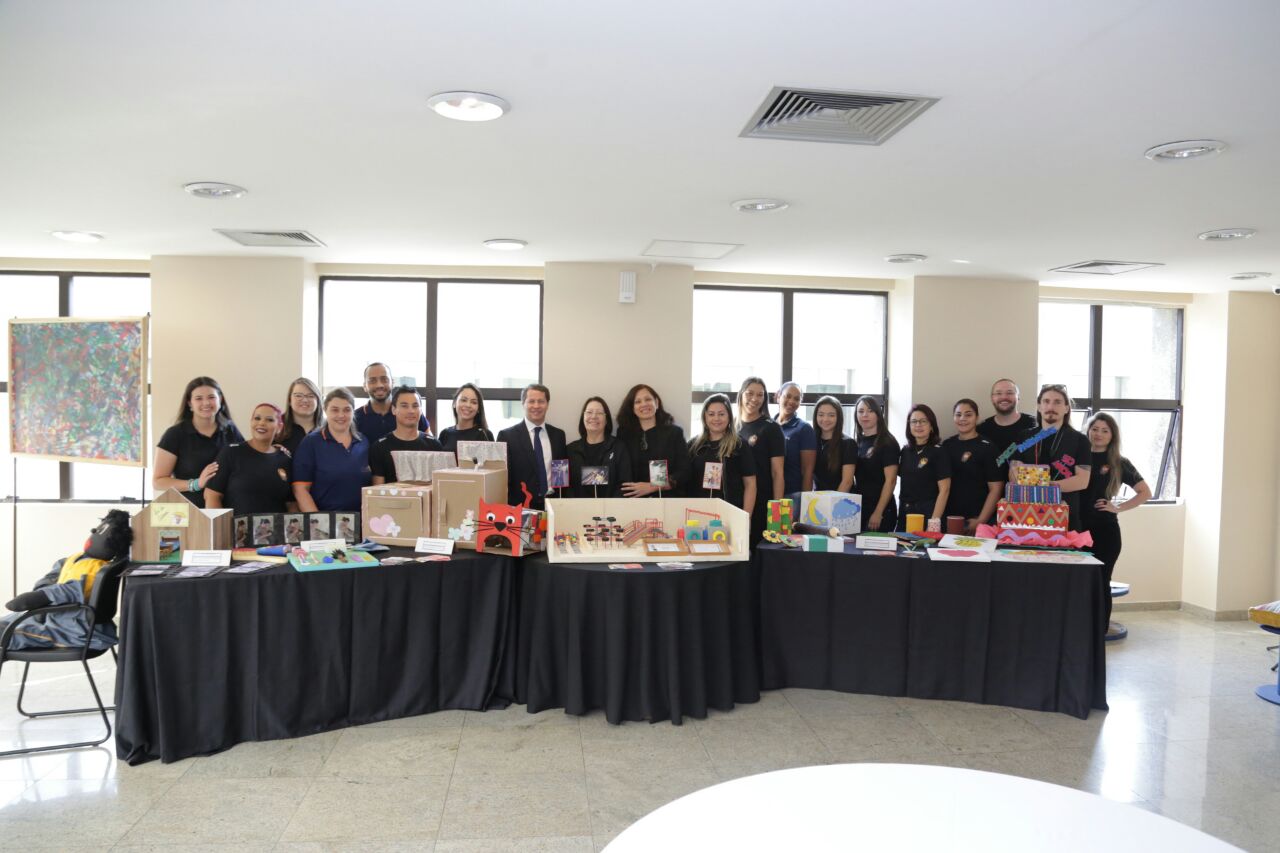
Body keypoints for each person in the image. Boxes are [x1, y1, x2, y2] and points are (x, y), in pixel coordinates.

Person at [1083, 413, 1152, 631]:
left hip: (1105, 533)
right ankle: (1079, 630)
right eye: (1095, 429)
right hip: (1076, 531)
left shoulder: (1119, 462)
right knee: (1078, 582)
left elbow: (1145, 492)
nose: (1099, 434)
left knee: (1101, 581)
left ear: (1112, 435)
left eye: (1105, 430)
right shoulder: (1077, 457)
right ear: (1088, 430)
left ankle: (1099, 632)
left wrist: (1118, 507)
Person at [153, 376, 243, 508]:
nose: (206, 403)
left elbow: (245, 462)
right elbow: (158, 482)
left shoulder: (230, 430)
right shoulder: (175, 434)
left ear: (220, 400)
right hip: (190, 512)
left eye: (211, 397)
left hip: (228, 509)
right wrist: (196, 484)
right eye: (199, 398)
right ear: (190, 403)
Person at [1013, 384, 1091, 531]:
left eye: (1057, 402)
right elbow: (1014, 474)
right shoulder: (1025, 437)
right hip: (1026, 516)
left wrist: (1044, 486)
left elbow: (1082, 481)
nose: (1051, 406)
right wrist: (1046, 485)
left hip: (1065, 518)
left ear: (1066, 408)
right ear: (1039, 406)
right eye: (1046, 401)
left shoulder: (1080, 440)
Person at [205, 403, 295, 514]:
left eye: (269, 420)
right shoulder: (230, 453)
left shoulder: (285, 459)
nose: (261, 423)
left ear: (279, 427)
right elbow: (212, 495)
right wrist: (220, 525)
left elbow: (291, 503)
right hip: (235, 524)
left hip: (277, 525)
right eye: (257, 418)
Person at [292, 388, 371, 512]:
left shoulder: (363, 442)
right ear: (325, 410)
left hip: (362, 520)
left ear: (353, 411)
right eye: (335, 410)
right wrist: (319, 521)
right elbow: (300, 490)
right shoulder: (311, 443)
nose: (341, 415)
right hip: (326, 520)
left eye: (347, 410)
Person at [497, 383, 567, 510]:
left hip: (553, 505)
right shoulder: (506, 436)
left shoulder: (558, 435)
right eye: (531, 401)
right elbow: (503, 480)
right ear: (523, 404)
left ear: (547, 404)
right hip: (520, 508)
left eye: (541, 401)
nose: (536, 406)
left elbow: (561, 474)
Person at [616, 383, 690, 497]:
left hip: (667, 499)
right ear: (632, 408)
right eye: (638, 402)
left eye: (648, 399)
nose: (644, 404)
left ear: (657, 403)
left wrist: (652, 487)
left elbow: (684, 472)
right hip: (633, 499)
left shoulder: (674, 433)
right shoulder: (624, 434)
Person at [686, 393, 757, 511]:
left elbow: (750, 484)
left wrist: (746, 516)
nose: (716, 418)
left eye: (721, 414)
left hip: (730, 512)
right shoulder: (693, 445)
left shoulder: (739, 445)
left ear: (729, 416)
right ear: (704, 417)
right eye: (711, 414)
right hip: (697, 512)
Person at [941, 399, 1003, 533]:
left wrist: (981, 520)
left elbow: (996, 489)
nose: (962, 418)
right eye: (958, 415)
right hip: (948, 518)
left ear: (977, 418)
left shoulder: (988, 447)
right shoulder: (946, 445)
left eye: (968, 414)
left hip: (975, 520)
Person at [736, 377, 785, 543]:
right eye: (750, 393)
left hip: (762, 501)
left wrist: (776, 512)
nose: (754, 399)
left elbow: (778, 473)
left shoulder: (771, 428)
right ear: (741, 394)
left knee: (758, 549)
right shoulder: (731, 426)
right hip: (735, 499)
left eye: (760, 395)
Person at [369, 386, 444, 484]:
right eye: (404, 406)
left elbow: (440, 485)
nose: (411, 411)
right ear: (394, 410)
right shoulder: (379, 447)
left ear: (421, 410)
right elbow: (377, 490)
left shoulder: (434, 445)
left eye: (415, 406)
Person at [897, 404, 952, 529]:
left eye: (923, 421)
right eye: (914, 421)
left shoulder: (939, 451)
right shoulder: (905, 451)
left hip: (928, 512)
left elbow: (945, 489)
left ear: (931, 425)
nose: (918, 425)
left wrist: (934, 521)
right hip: (905, 513)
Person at [852, 396, 899, 533]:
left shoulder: (887, 442)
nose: (865, 415)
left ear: (878, 414)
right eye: (861, 411)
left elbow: (891, 481)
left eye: (870, 411)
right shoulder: (858, 442)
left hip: (881, 510)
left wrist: (878, 512)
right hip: (860, 508)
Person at [566, 397, 630, 497]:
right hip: (577, 506)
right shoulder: (570, 450)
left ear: (606, 420)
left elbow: (624, 484)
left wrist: (608, 506)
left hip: (613, 506)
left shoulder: (619, 448)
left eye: (599, 413)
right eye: (589, 412)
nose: (594, 416)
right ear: (583, 418)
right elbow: (566, 488)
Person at [353, 362, 428, 445]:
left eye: (384, 379)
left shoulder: (409, 412)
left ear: (392, 383)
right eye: (372, 381)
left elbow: (429, 443)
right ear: (365, 386)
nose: (379, 385)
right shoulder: (355, 418)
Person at [977, 378, 1038, 461]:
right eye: (998, 393)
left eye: (1009, 393)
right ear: (992, 398)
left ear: (1018, 397)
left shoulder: (1034, 424)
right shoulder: (982, 429)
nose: (1004, 397)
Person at [775, 381, 817, 494]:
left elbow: (807, 471)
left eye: (796, 399)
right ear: (778, 396)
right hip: (768, 493)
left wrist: (805, 500)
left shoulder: (804, 429)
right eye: (788, 396)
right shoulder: (769, 426)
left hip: (792, 495)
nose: (791, 401)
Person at [811, 396, 856, 492]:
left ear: (838, 417)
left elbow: (847, 482)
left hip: (841, 498)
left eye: (831, 415)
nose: (825, 419)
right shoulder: (811, 441)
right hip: (817, 498)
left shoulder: (848, 443)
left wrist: (834, 501)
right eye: (821, 415)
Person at [438, 383, 494, 451]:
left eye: (473, 402)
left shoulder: (485, 434)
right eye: (464, 400)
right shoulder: (445, 434)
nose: (468, 405)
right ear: (454, 403)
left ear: (479, 408)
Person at [280, 377, 324, 455]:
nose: (305, 400)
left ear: (318, 401)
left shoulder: (329, 428)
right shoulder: (276, 425)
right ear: (289, 400)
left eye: (310, 396)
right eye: (298, 395)